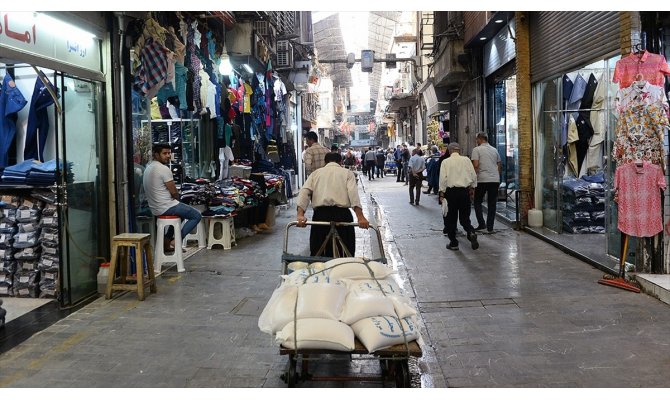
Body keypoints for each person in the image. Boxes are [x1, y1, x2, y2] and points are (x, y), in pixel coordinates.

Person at [296, 152, 370, 257]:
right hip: (342, 216)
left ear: (325, 162)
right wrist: (360, 217)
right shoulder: (347, 173)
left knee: (318, 253)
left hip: (321, 215)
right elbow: (353, 194)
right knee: (345, 253)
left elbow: (305, 192)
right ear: (341, 162)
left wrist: (300, 215)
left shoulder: (316, 174)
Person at [143, 143, 202, 252]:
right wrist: (177, 199)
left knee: (181, 214)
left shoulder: (148, 167)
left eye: (169, 153)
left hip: (155, 208)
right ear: (156, 155)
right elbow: (174, 192)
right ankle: (177, 240)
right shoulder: (163, 169)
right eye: (164, 153)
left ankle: (166, 242)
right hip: (166, 206)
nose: (168, 156)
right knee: (196, 215)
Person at [438, 142, 479, 251]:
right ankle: (470, 232)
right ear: (459, 151)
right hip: (464, 192)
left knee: (451, 219)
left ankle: (454, 243)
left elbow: (443, 179)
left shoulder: (446, 162)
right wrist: (472, 189)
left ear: (450, 151)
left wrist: (441, 193)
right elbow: (473, 176)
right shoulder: (466, 160)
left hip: (451, 193)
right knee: (465, 218)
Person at [471, 133, 502, 233]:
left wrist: (472, 180)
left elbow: (475, 165)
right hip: (494, 180)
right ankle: (490, 227)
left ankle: (481, 224)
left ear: (480, 139)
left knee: (477, 201)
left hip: (482, 179)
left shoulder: (476, 149)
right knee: (492, 203)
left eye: (477, 139)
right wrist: (497, 176)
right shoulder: (494, 149)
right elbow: (499, 164)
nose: (476, 141)